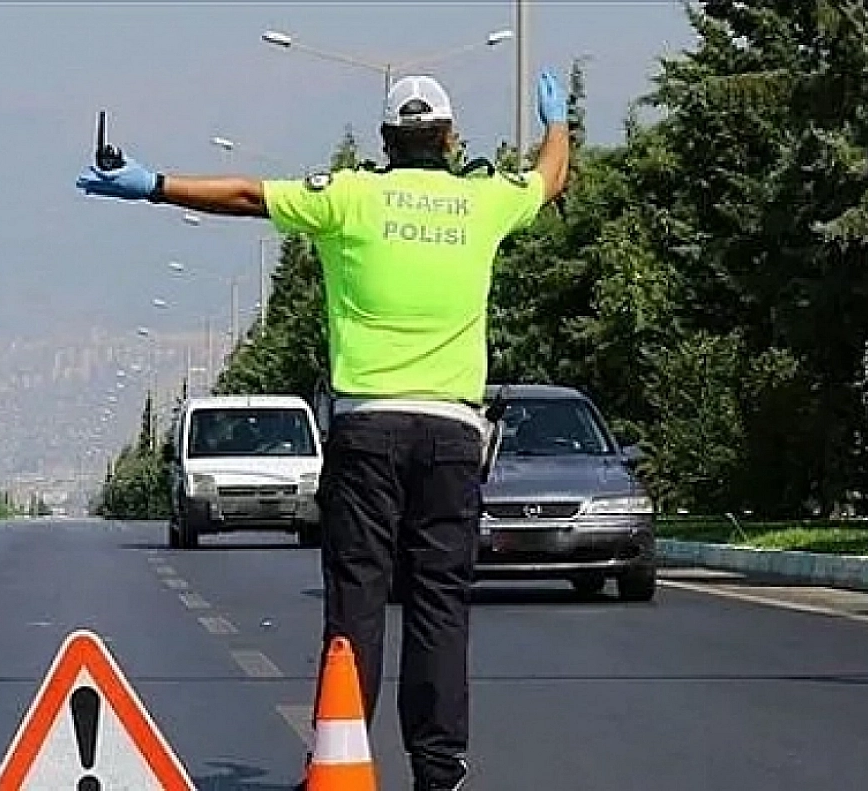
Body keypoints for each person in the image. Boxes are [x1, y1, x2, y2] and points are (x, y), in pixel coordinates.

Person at [76, 70, 572, 791]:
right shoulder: (483, 200)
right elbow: (549, 179)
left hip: (367, 431)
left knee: (358, 597)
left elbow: (249, 196)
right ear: (450, 137)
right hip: (452, 435)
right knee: (439, 603)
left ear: (384, 141)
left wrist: (153, 184)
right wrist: (555, 124)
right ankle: (439, 771)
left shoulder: (349, 196)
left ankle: (340, 756)